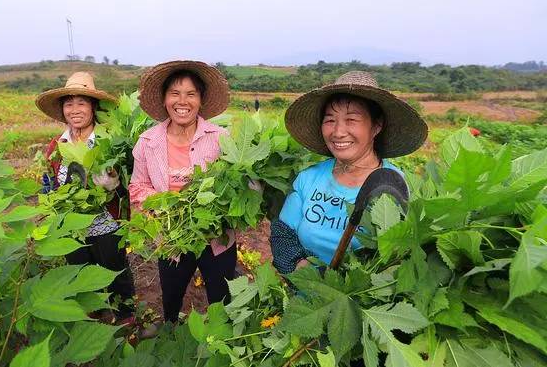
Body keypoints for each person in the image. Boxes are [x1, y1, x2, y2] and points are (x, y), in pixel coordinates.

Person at [269, 71, 428, 274]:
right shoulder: (308, 178)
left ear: (376, 125)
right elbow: (283, 235)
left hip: (362, 302)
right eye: (330, 120)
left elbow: (396, 261)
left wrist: (343, 287)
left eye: (351, 120)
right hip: (303, 299)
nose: (338, 132)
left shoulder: (394, 187)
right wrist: (309, 275)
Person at [129, 60, 235, 323]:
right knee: (172, 294)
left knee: (221, 297)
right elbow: (138, 185)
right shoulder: (148, 142)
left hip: (215, 236)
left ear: (200, 100)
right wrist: (164, 203)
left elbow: (235, 182)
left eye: (190, 94)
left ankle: (221, 343)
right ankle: (171, 331)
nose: (182, 101)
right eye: (175, 93)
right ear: (165, 99)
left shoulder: (221, 138)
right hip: (171, 235)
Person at [35, 72, 136, 324]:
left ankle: (125, 317)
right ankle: (92, 314)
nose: (75, 109)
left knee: (114, 272)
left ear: (93, 107)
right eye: (69, 103)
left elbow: (132, 183)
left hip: (106, 224)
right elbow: (49, 181)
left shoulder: (108, 142)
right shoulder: (57, 144)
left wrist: (116, 187)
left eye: (82, 103)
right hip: (72, 228)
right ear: (62, 109)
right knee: (79, 273)